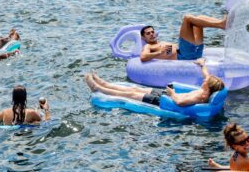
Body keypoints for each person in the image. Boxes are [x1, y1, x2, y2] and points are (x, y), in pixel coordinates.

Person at [84, 61, 224, 107]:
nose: (205, 79)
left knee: (131, 94)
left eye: (207, 81)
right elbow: (207, 75)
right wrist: (202, 65)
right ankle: (103, 83)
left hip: (164, 101)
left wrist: (172, 93)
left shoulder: (201, 97)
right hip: (166, 95)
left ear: (209, 86)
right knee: (134, 88)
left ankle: (97, 88)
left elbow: (180, 102)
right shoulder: (206, 87)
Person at [139, 16, 226, 63]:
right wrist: (159, 52)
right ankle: (221, 25)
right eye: (148, 33)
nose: (151, 34)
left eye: (152, 32)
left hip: (196, 52)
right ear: (143, 37)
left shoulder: (161, 42)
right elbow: (143, 57)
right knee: (187, 19)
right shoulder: (148, 46)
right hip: (184, 56)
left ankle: (222, 22)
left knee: (198, 19)